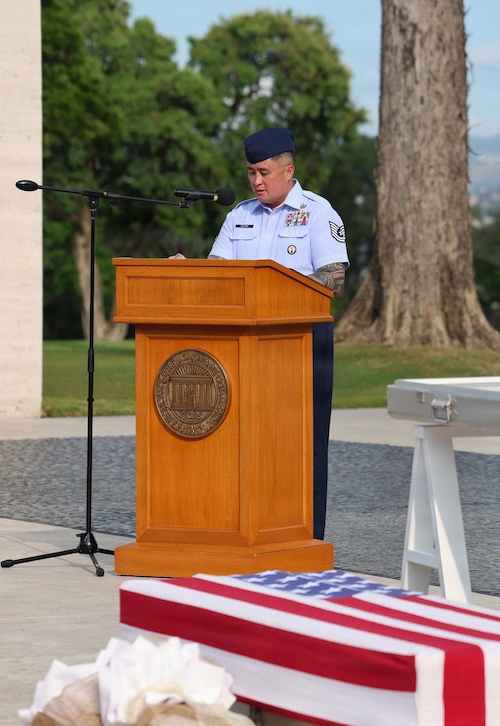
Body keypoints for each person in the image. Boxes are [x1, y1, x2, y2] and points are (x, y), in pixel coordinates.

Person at [174, 127, 348, 540]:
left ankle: (304, 537)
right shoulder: (240, 215)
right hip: (243, 348)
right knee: (247, 442)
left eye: (264, 172)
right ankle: (249, 533)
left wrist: (270, 292)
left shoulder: (318, 213)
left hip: (300, 343)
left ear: (288, 170)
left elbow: (332, 280)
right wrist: (188, 271)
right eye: (251, 172)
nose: (256, 181)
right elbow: (220, 277)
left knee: (302, 447)